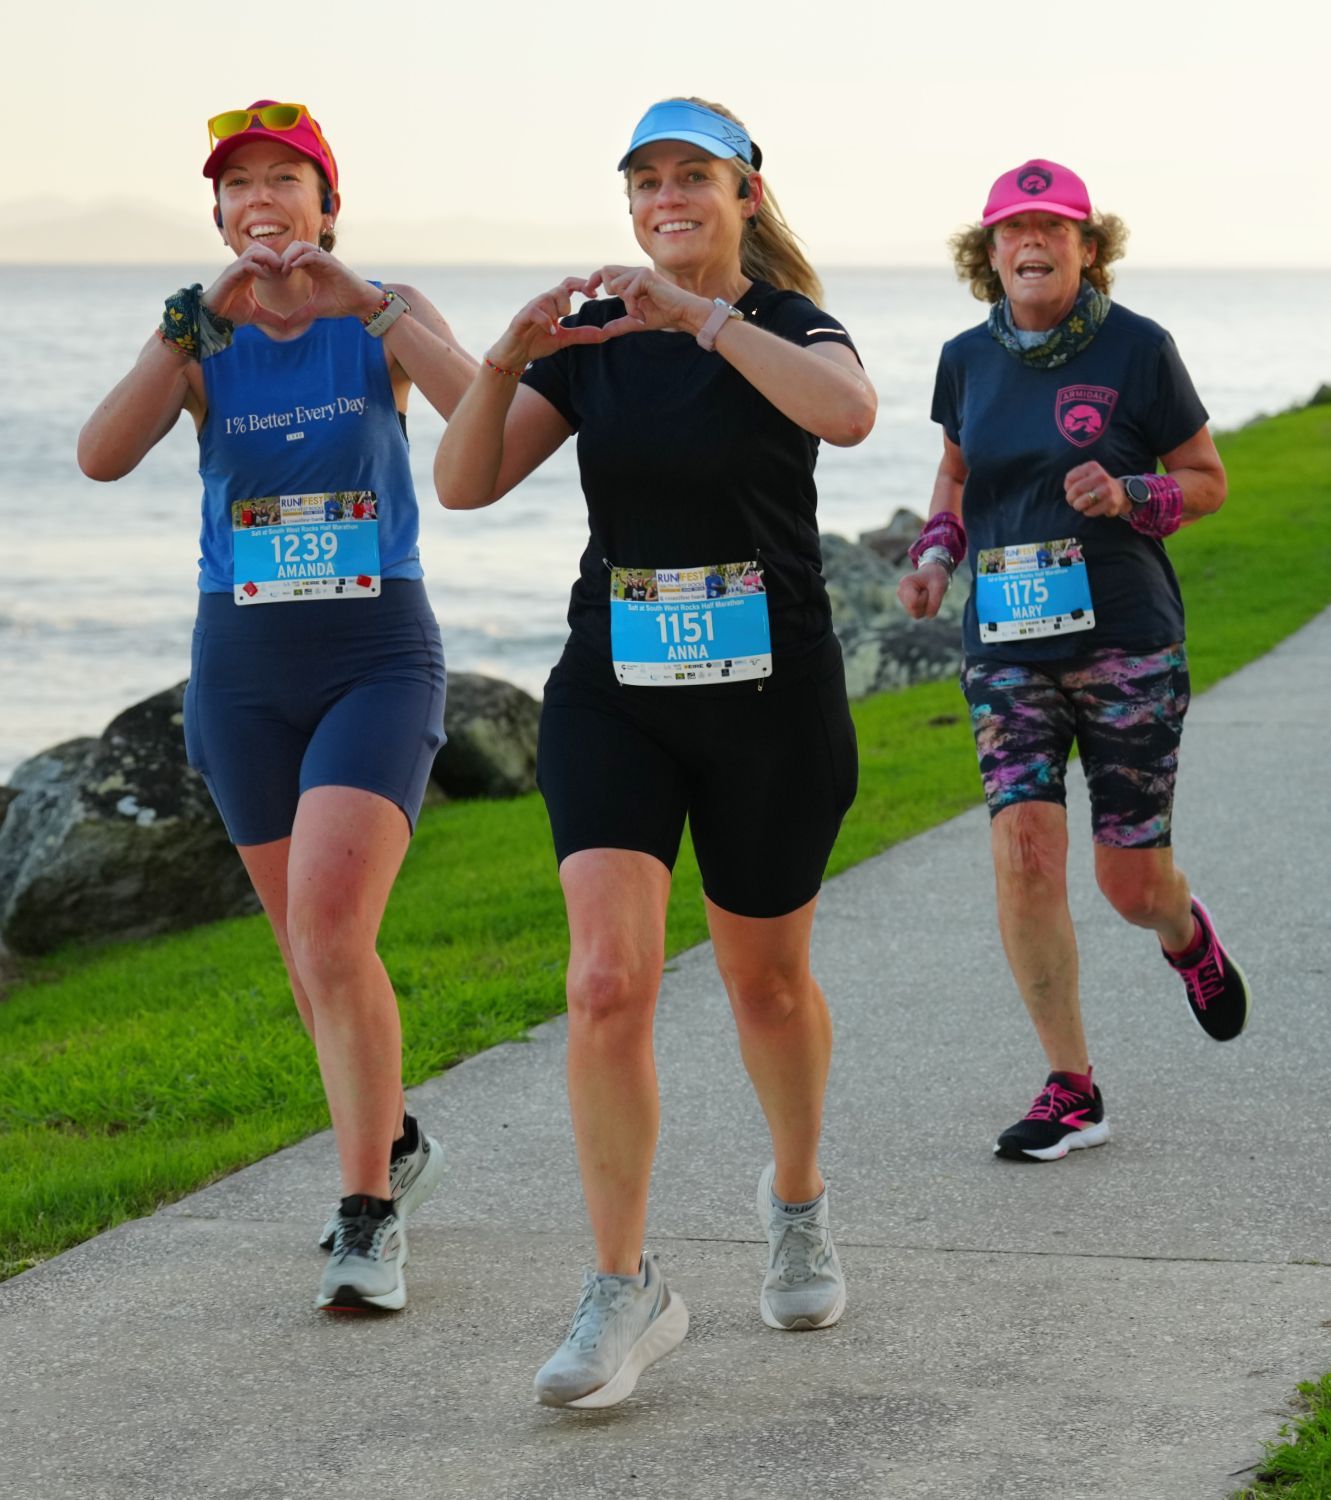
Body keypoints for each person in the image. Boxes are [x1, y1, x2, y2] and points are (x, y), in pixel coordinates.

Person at [436, 96, 875, 1406]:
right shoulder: (593, 340)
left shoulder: (784, 323)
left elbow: (847, 414)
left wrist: (703, 318)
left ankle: (792, 1197)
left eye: (694, 176)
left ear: (745, 194)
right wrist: (510, 357)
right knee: (605, 984)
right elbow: (464, 484)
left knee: (767, 990)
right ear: (625, 203)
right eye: (644, 180)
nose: (665, 197)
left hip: (770, 698)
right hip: (615, 689)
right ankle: (624, 1289)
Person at [78, 101, 479, 1311]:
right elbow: (102, 455)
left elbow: (483, 415)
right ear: (218, 213)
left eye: (284, 180)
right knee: (306, 955)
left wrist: (369, 302)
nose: (261, 198)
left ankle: (367, 1216)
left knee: (331, 933)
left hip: (373, 652)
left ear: (324, 205)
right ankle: (395, 1139)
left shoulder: (381, 314)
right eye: (238, 183)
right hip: (241, 669)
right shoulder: (200, 337)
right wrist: (181, 328)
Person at [897, 158, 1252, 1163]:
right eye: (1014, 229)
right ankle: (1071, 1087)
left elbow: (1207, 481)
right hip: (1004, 647)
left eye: (1054, 227)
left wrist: (1134, 496)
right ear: (989, 251)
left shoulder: (1139, 350)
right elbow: (955, 475)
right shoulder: (963, 359)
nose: (1033, 242)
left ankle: (1184, 931)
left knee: (1126, 884)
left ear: (1086, 248)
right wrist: (932, 556)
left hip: (1124, 639)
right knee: (1022, 851)